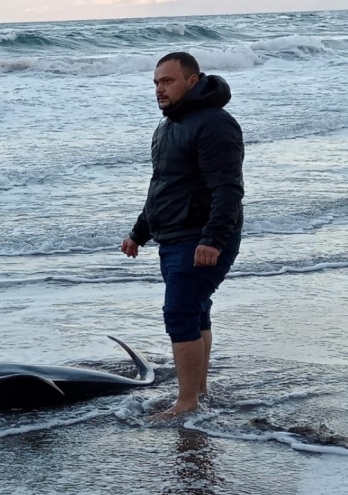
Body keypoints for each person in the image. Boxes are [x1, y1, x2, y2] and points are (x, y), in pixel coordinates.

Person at [121, 52, 244, 419]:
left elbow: (228, 189)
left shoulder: (215, 124)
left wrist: (213, 239)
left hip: (201, 237)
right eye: (156, 82)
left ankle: (187, 402)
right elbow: (162, 187)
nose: (159, 88)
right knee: (196, 313)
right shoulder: (168, 126)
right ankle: (199, 393)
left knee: (179, 313)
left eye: (168, 81)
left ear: (192, 81)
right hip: (174, 237)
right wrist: (138, 233)